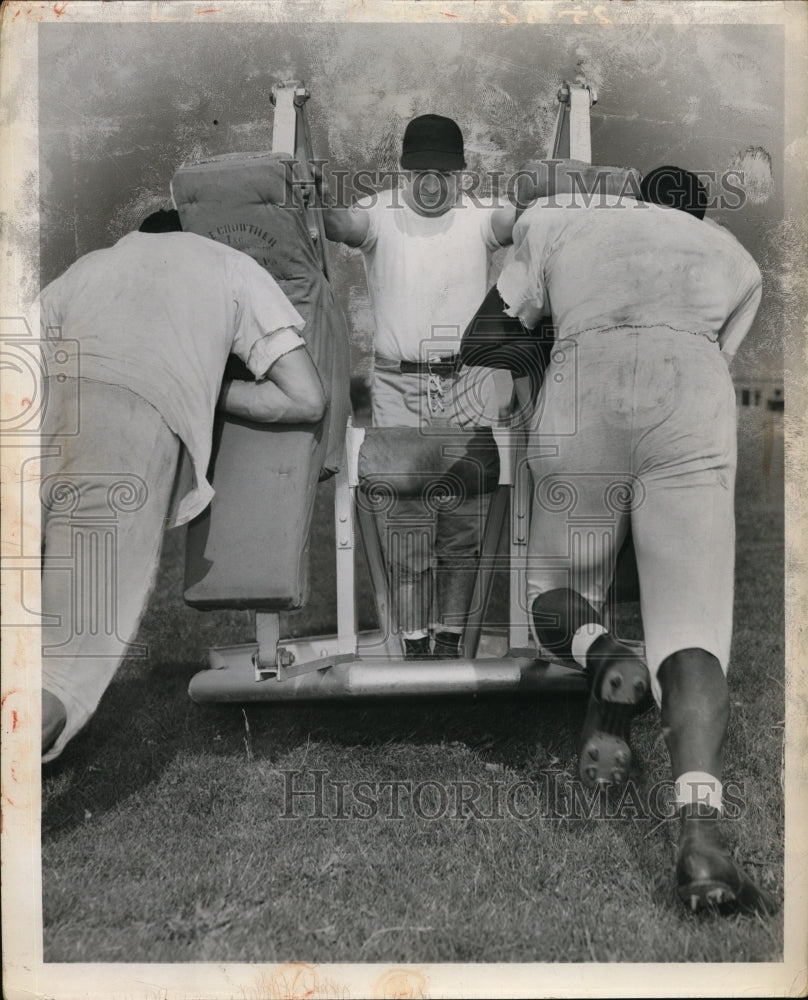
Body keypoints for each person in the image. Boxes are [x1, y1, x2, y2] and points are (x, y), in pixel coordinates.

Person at [482, 165, 775, 914]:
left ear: (633, 199)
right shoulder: (731, 256)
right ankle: (703, 838)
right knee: (693, 624)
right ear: (701, 216)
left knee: (550, 594)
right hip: (688, 390)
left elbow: (483, 338)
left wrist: (555, 356)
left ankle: (603, 651)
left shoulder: (565, 223)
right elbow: (717, 355)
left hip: (584, 381)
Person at [39, 209, 326, 761]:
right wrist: (208, 389)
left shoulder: (90, 265)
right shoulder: (229, 264)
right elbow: (306, 397)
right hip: (126, 429)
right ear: (191, 235)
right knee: (66, 660)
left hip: (35, 421)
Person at [315, 114, 516, 659]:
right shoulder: (381, 210)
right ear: (405, 170)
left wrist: (548, 189)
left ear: (461, 174)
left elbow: (515, 221)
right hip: (397, 384)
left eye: (442, 173)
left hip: (464, 384)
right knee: (406, 519)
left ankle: (449, 640)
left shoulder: (479, 214)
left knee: (460, 522)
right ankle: (413, 639)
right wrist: (307, 187)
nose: (431, 184)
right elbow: (341, 226)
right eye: (420, 172)